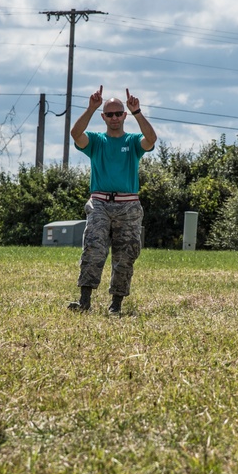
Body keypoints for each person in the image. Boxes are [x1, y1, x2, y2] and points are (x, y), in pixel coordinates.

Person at [67, 85, 157, 315]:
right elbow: (75, 134)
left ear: (124, 115)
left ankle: (116, 304)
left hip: (129, 206)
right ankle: (84, 300)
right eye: (110, 114)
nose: (115, 117)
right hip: (99, 203)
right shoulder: (96, 141)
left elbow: (151, 138)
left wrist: (138, 112)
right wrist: (90, 108)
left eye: (119, 113)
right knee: (93, 248)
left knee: (126, 254)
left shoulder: (134, 141)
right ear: (104, 117)